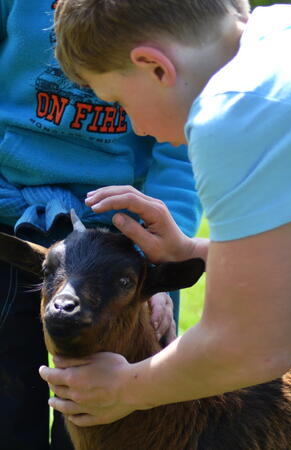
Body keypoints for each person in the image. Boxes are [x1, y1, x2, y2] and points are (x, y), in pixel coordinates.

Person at [39, 0, 291, 428]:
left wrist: (125, 387)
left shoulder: (235, 108)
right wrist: (193, 250)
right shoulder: (283, 36)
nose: (136, 127)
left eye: (119, 100)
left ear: (155, 67)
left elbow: (255, 347)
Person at [0, 1, 201, 449]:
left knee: (116, 415)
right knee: (8, 400)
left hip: (124, 241)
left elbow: (179, 146)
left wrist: (157, 259)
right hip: (14, 220)